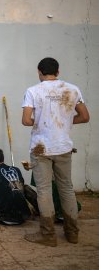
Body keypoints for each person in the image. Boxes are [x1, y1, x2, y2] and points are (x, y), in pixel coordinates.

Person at [22, 57, 90, 247]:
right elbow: (84, 116)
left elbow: (26, 120)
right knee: (66, 188)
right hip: (63, 146)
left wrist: (44, 122)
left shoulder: (33, 91)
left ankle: (48, 235)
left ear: (39, 72)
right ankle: (72, 233)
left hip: (41, 147)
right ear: (58, 72)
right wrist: (65, 122)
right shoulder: (72, 89)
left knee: (44, 190)